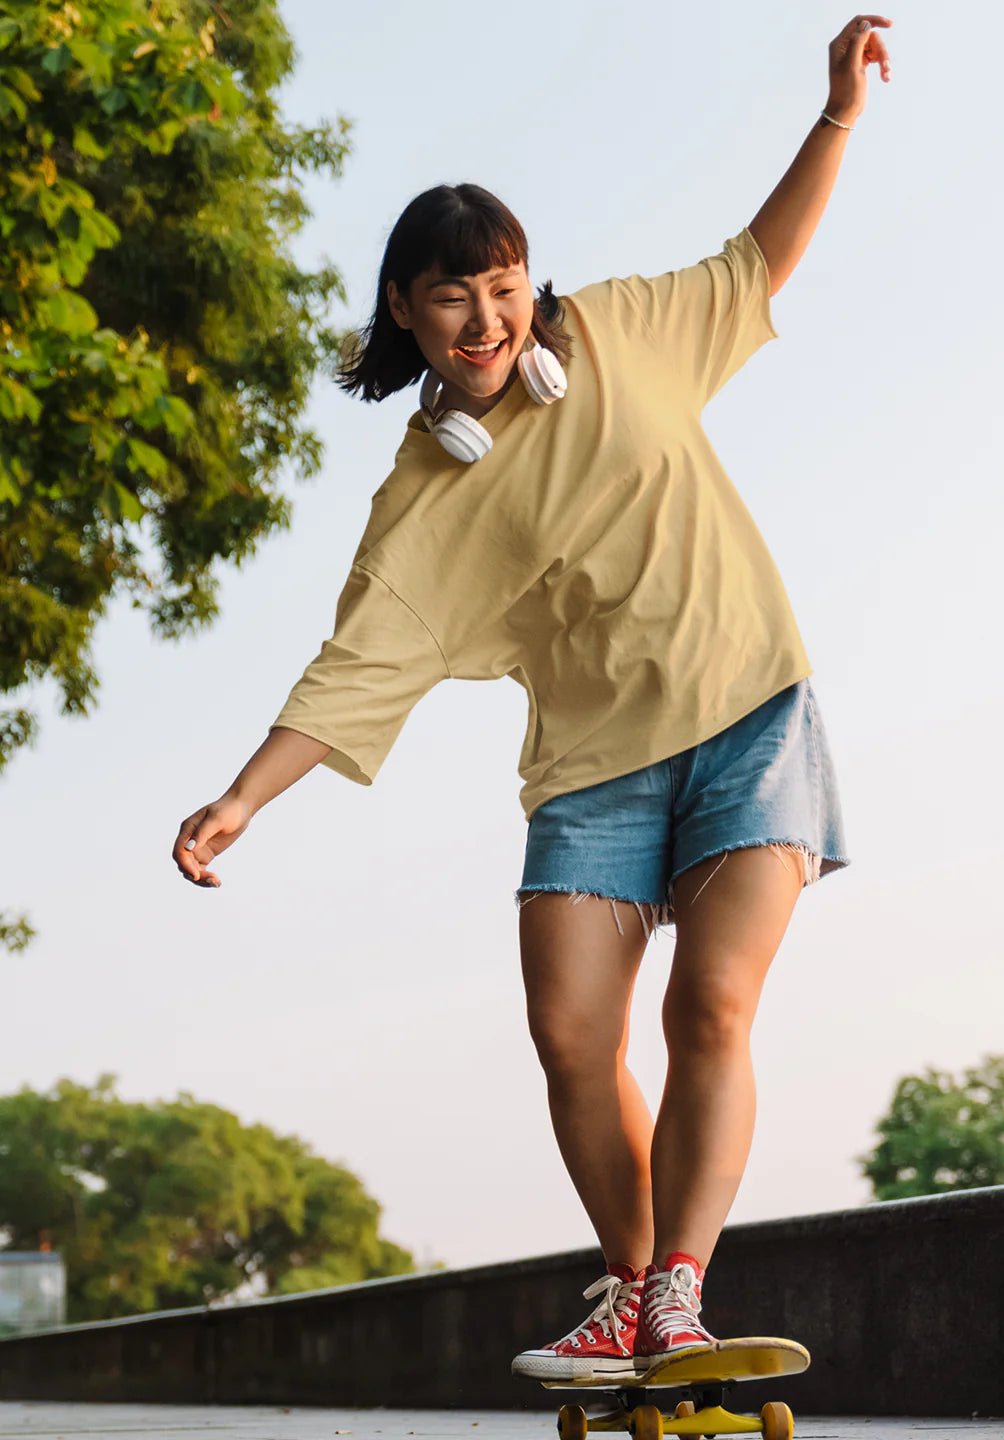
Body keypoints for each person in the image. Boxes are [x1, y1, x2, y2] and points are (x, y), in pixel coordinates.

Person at [172, 12, 891, 1384]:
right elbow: (358, 662)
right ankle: (629, 1288)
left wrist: (838, 113)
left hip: (747, 710)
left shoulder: (622, 332)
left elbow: (759, 259)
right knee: (569, 1036)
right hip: (594, 769)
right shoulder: (425, 489)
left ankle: (678, 1297)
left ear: (529, 287)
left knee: (710, 1009)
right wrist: (241, 799)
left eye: (503, 285)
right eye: (454, 296)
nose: (489, 319)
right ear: (407, 309)